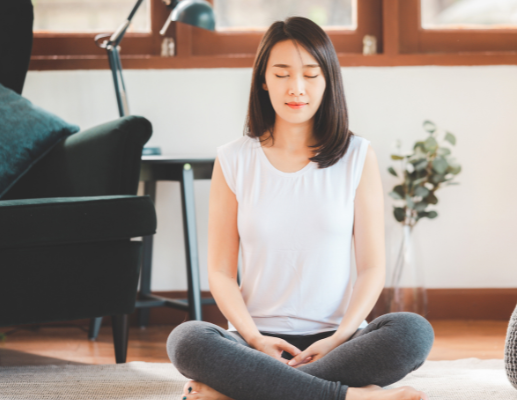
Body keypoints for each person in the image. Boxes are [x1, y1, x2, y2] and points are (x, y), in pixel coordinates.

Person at [166, 16, 434, 400]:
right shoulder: (233, 159)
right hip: (254, 340)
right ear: (263, 79)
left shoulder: (357, 156)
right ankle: (351, 396)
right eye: (282, 74)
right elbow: (221, 272)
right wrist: (255, 340)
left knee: (413, 332)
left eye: (311, 74)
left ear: (328, 81)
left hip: (337, 341)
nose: (296, 88)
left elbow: (372, 267)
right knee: (187, 339)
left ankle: (239, 392)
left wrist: (340, 337)